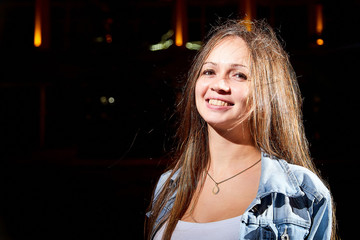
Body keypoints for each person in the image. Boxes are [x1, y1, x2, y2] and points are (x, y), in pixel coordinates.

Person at [145, 19, 336, 240]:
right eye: (209, 71)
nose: (219, 85)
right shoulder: (169, 186)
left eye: (239, 75)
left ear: (266, 92)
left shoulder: (302, 192)